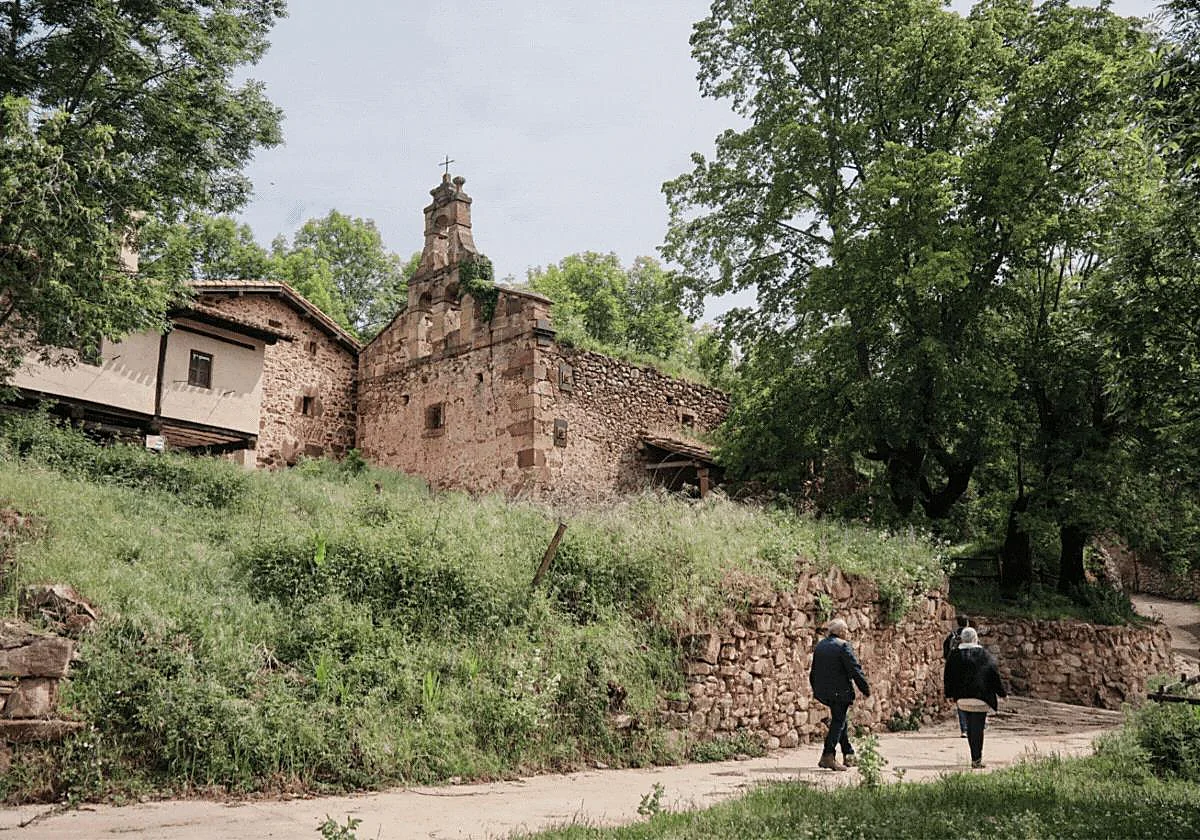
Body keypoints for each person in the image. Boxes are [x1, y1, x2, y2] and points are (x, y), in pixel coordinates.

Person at [809, 617, 871, 771]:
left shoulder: (820, 646)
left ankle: (848, 753)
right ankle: (828, 755)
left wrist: (816, 689)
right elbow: (855, 670)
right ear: (842, 632)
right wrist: (865, 688)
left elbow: (814, 671)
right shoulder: (843, 646)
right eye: (847, 630)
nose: (848, 633)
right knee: (839, 721)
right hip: (839, 692)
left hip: (824, 691)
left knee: (840, 719)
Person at [943, 627, 1007, 769]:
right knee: (977, 727)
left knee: (971, 726)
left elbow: (948, 676)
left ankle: (975, 755)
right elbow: (994, 676)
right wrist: (1002, 693)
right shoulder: (985, 655)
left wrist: (949, 694)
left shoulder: (954, 655)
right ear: (975, 638)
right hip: (981, 698)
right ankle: (976, 759)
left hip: (962, 698)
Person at [943, 615, 971, 737]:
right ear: (967, 623)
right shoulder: (971, 635)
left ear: (958, 623)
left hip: (956, 669)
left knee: (960, 700)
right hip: (970, 669)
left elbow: (946, 649)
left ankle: (963, 728)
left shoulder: (953, 635)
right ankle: (971, 725)